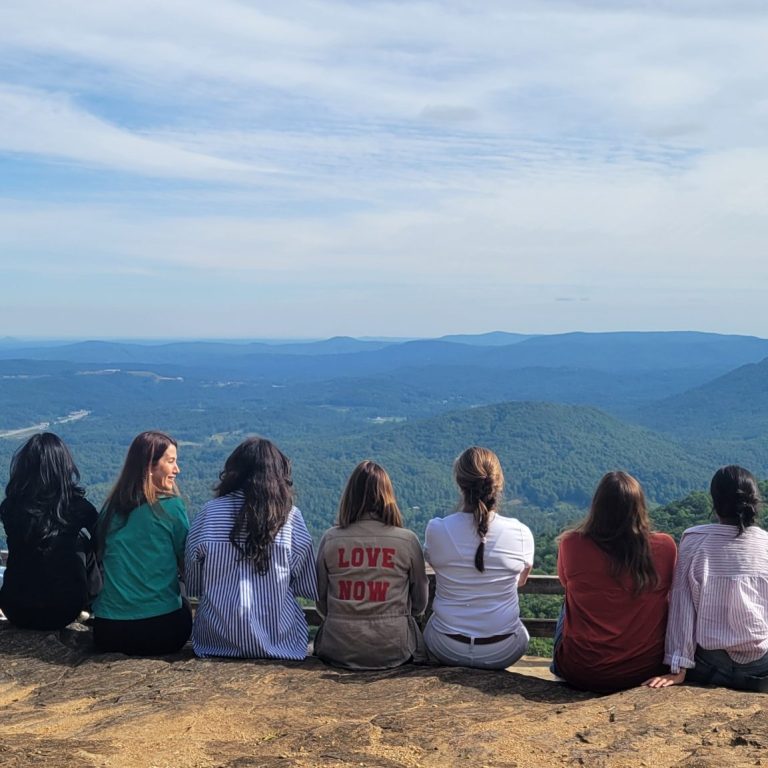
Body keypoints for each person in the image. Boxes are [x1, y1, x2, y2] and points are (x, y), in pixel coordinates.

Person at [185, 437, 317, 660]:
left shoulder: (209, 513)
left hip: (215, 642)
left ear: (233, 472)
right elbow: (307, 585)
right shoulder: (291, 518)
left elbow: (194, 583)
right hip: (281, 643)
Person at [646, 465, 768, 690]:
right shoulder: (765, 544)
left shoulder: (694, 540)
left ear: (715, 501)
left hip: (709, 666)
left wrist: (678, 668)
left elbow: (682, 607)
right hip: (760, 668)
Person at [552, 472, 677, 691]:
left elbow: (565, 582)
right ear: (639, 507)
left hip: (580, 671)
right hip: (644, 671)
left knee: (568, 602)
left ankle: (557, 667)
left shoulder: (571, 543)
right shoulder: (665, 547)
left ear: (597, 506)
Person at [423, 446, 533, 669]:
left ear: (459, 483)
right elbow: (521, 582)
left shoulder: (437, 529)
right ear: (497, 483)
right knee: (522, 632)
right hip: (504, 650)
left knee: (432, 625)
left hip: (446, 645)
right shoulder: (520, 532)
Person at [314, 461, 429, 669]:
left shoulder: (330, 539)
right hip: (395, 647)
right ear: (388, 496)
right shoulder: (407, 540)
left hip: (338, 646)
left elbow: (321, 601)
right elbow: (420, 604)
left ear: (350, 496)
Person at [93, 431, 191, 655]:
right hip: (161, 632)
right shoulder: (171, 508)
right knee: (182, 592)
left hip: (108, 631)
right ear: (150, 466)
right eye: (171, 461)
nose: (177, 470)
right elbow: (187, 564)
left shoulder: (108, 511)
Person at [0, 433, 98, 630]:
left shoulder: (10, 506)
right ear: (63, 466)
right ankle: (95, 606)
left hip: (15, 607)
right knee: (81, 541)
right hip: (64, 609)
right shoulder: (78, 507)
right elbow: (102, 541)